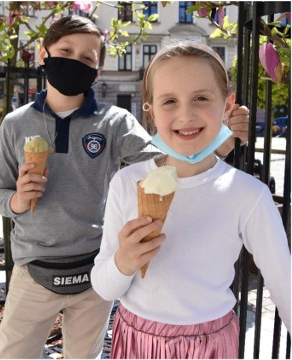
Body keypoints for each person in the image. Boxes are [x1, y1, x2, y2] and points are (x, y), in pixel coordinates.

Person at [0, 15, 249, 359]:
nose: (75, 61)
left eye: (87, 58)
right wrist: (18, 200)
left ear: (97, 69)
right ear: (43, 54)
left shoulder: (115, 122)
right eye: (66, 50)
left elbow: (170, 165)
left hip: (94, 272)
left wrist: (222, 138)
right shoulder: (14, 123)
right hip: (33, 271)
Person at [91, 41, 291, 359]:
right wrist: (124, 262)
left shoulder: (248, 195)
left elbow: (284, 282)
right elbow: (103, 287)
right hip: (136, 342)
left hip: (211, 345)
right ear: (151, 111)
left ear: (227, 105)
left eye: (200, 97)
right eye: (169, 100)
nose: (186, 114)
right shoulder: (127, 183)